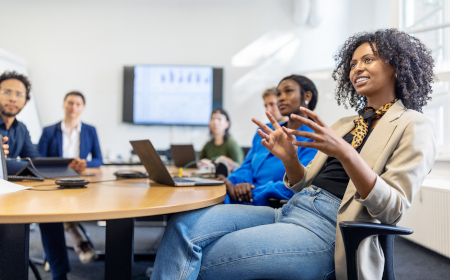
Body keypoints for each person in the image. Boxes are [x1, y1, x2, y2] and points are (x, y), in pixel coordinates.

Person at [149, 29, 437, 280]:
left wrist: (347, 154)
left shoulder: (414, 125)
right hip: (291, 209)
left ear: (396, 67)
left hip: (329, 229)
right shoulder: (345, 124)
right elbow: (301, 184)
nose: (356, 68)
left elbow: (392, 209)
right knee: (182, 226)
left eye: (368, 60)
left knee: (203, 259)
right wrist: (289, 158)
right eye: (352, 63)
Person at [0, 71, 70, 280]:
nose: (13, 98)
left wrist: (67, 165)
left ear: (25, 100)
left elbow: (35, 161)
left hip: (10, 194)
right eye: (7, 92)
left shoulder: (21, 129)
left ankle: (60, 275)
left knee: (51, 210)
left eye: (19, 94)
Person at [220, 75, 318, 206]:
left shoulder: (314, 139)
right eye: (278, 94)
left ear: (307, 96)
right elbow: (247, 166)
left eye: (288, 91)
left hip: (269, 204)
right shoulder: (264, 132)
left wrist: (250, 192)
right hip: (239, 196)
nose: (281, 98)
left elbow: (299, 184)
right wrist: (236, 183)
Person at [38, 91, 101, 264]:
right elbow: (38, 159)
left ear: (82, 108)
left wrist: (84, 164)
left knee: (70, 203)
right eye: (70, 103)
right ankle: (77, 239)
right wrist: (64, 166)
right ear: (64, 105)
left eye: (78, 104)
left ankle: (54, 253)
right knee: (62, 204)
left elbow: (99, 158)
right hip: (54, 181)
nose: (73, 107)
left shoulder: (90, 130)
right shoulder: (49, 131)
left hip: (80, 181)